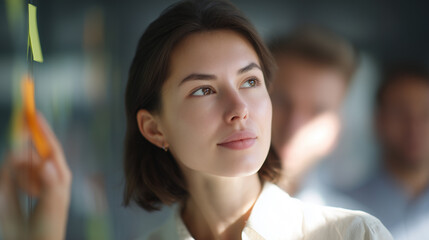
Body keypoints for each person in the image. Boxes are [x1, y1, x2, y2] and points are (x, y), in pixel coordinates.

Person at [0, 1, 392, 239]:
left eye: (251, 81)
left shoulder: (353, 235)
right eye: (203, 89)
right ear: (155, 129)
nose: (239, 107)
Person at [267, 27, 357, 198]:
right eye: (280, 102)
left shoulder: (353, 223)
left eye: (317, 112)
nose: (294, 127)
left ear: (337, 127)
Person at [346, 63, 429, 240]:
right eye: (399, 113)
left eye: (426, 114)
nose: (414, 127)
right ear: (378, 121)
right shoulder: (344, 210)